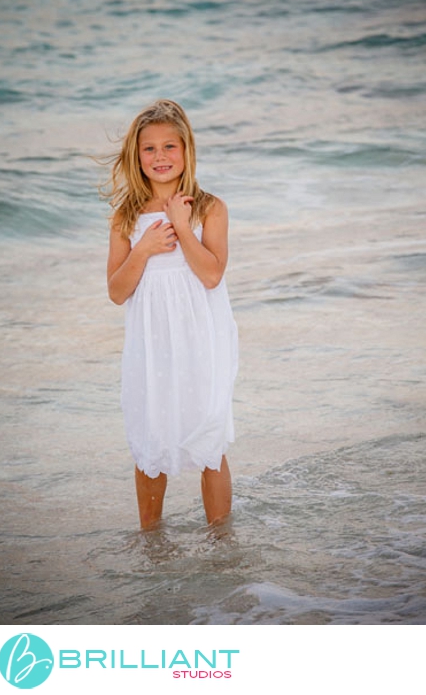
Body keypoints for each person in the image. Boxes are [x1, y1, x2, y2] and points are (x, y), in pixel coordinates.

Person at [102, 99, 238, 529]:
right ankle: (152, 544)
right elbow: (117, 291)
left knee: (209, 439)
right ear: (135, 156)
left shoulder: (209, 208)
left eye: (169, 147)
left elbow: (212, 275)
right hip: (151, 342)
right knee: (150, 435)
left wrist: (182, 225)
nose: (160, 157)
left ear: (186, 150)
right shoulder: (125, 216)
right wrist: (142, 249)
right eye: (149, 149)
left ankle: (222, 546)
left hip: (200, 339)